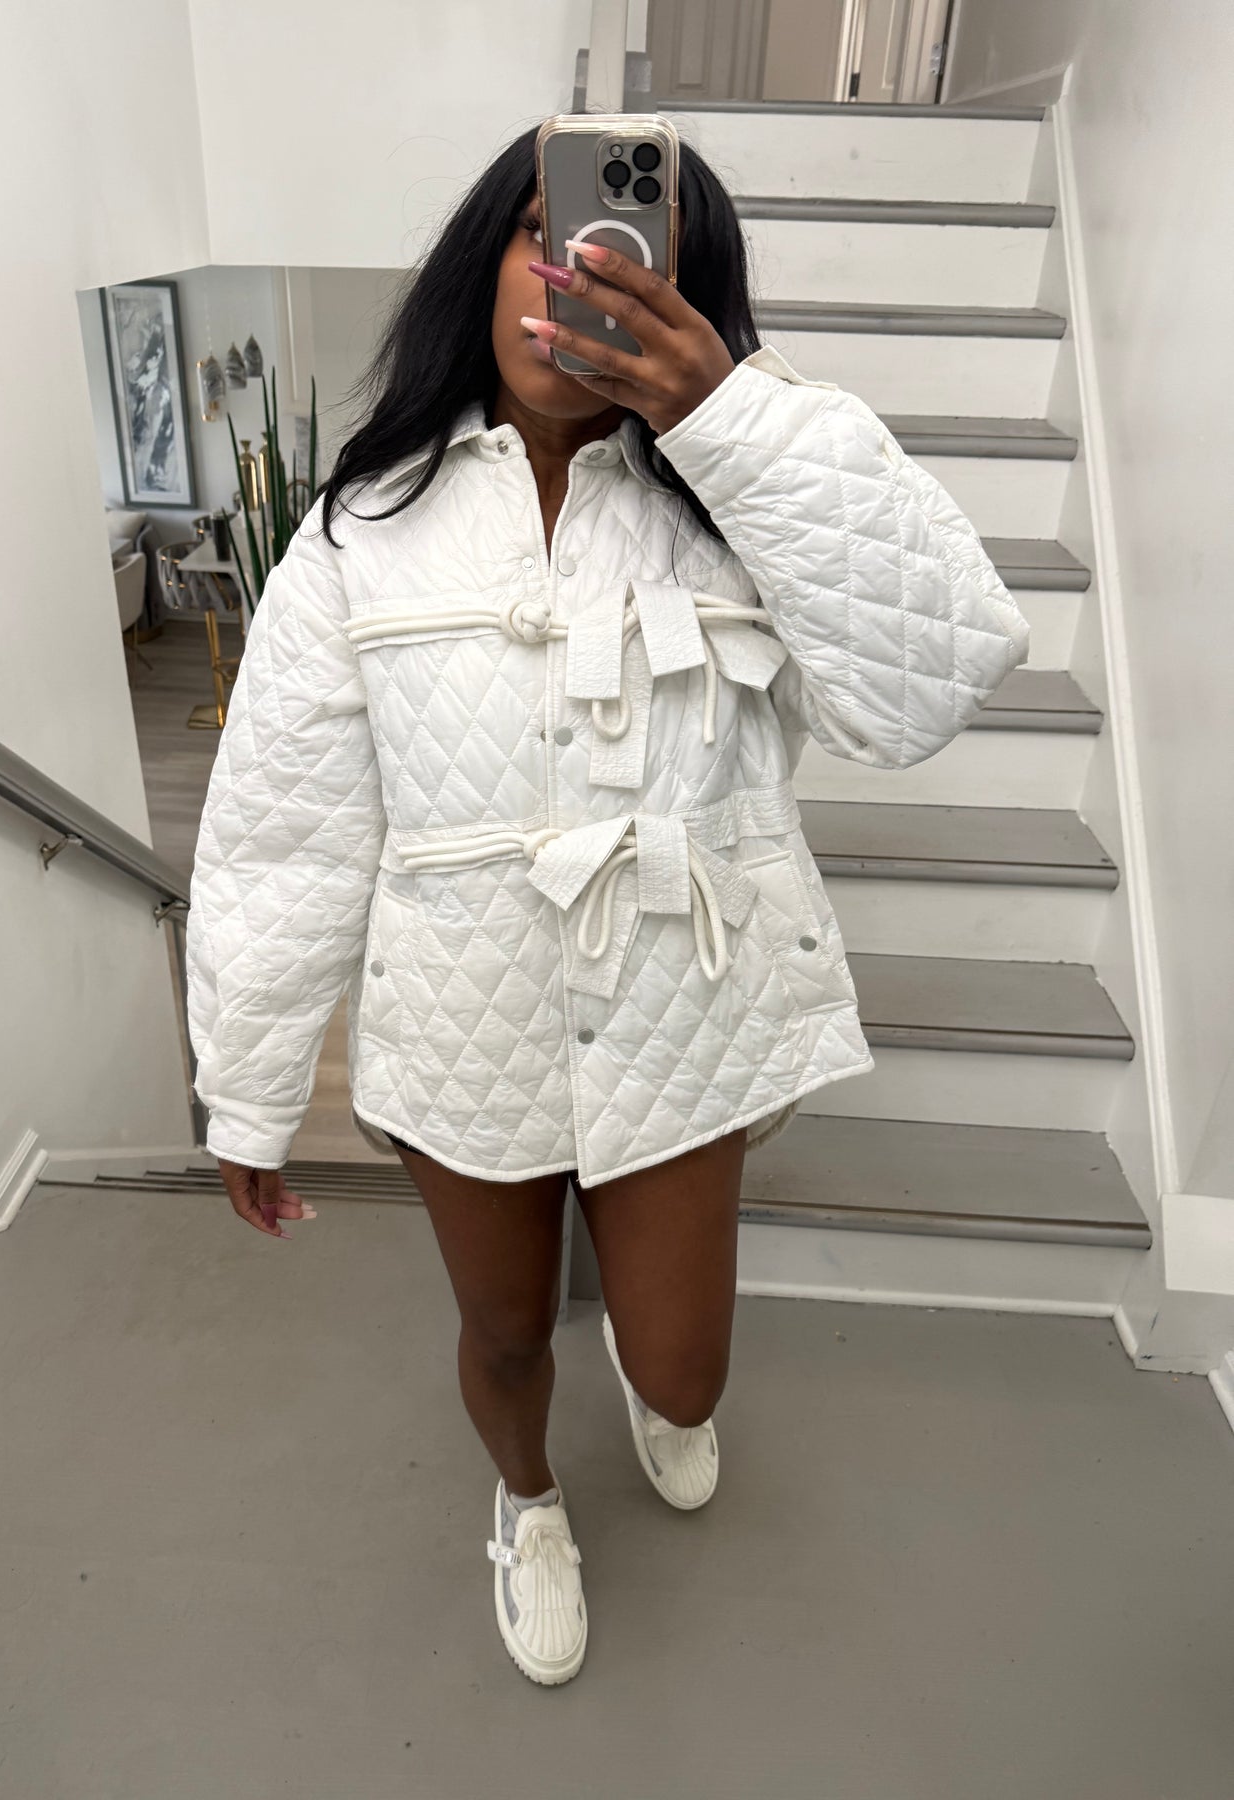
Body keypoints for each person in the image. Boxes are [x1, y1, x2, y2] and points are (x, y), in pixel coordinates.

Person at [184, 122, 1029, 1687]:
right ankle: (525, 1506)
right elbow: (282, 832)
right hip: (463, 1007)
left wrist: (727, 419)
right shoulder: (359, 529)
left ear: (684, 291)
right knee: (506, 1330)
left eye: (627, 250)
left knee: (685, 1373)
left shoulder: (759, 481)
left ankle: (652, 1398)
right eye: (537, 232)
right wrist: (247, 1080)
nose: (573, 273)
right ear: (482, 265)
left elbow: (923, 693)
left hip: (679, 999)